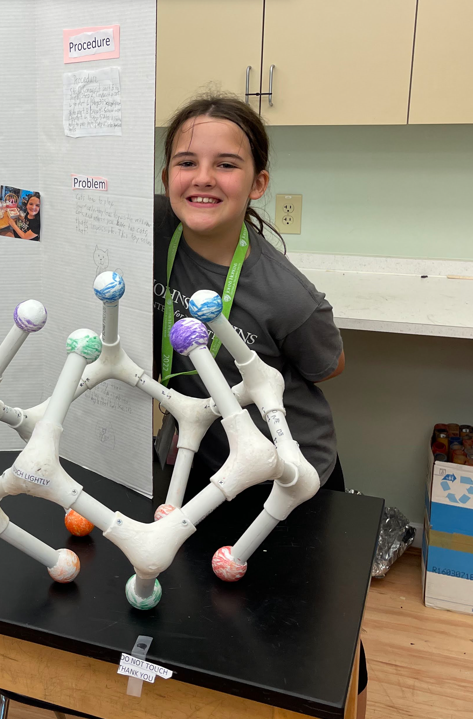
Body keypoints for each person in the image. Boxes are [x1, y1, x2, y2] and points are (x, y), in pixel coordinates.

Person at [153, 93, 365, 715]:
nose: (203, 178)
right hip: (200, 460)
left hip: (288, 474)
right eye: (186, 162)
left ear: (259, 183)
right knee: (206, 615)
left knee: (304, 633)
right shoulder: (154, 228)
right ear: (166, 176)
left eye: (226, 164)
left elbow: (329, 366)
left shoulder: (286, 294)